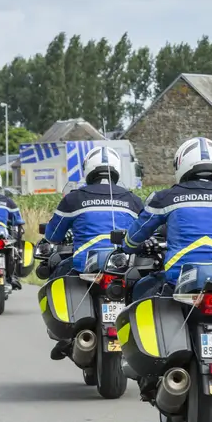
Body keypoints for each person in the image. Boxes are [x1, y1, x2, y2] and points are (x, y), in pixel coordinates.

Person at [121, 137, 212, 301]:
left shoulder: (165, 198)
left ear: (180, 165)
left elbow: (134, 236)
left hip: (178, 279)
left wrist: (128, 246)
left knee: (141, 291)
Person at [44, 146, 144, 359]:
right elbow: (144, 232)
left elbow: (52, 235)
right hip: (123, 266)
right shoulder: (133, 200)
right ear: (117, 169)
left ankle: (63, 333)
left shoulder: (74, 198)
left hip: (84, 264)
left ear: (87, 170)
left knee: (57, 272)